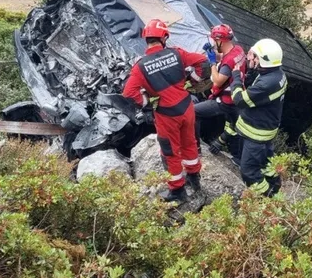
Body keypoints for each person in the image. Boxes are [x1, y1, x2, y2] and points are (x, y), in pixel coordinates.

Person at [122, 19, 208, 202]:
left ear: (147, 40)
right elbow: (202, 61)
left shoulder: (140, 67)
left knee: (170, 152)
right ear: (164, 38)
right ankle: (195, 179)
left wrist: (146, 100)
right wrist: (192, 80)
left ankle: (177, 191)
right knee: (190, 144)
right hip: (187, 108)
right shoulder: (177, 54)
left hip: (167, 114)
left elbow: (129, 93)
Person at [229, 38, 286, 197]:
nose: (250, 58)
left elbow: (240, 100)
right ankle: (275, 187)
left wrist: (236, 78)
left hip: (256, 135)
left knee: (248, 171)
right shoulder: (277, 75)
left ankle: (267, 197)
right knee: (267, 164)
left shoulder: (266, 83)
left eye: (255, 57)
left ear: (264, 61)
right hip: (265, 130)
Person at [194, 24, 246, 159]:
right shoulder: (238, 50)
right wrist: (216, 56)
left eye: (214, 40)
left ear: (220, 40)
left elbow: (217, 80)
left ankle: (195, 147)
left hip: (225, 101)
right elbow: (227, 60)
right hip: (236, 98)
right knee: (234, 127)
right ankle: (236, 157)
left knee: (193, 112)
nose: (213, 42)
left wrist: (212, 63)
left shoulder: (228, 61)